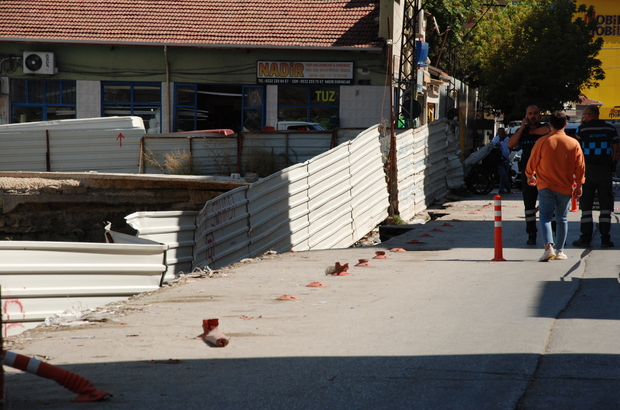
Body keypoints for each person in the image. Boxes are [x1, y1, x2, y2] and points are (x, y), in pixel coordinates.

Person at [525, 111, 585, 262]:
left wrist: (529, 175)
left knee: (545, 217)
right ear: (565, 124)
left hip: (545, 185)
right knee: (562, 219)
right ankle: (560, 251)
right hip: (565, 187)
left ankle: (548, 248)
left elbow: (532, 161)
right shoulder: (573, 143)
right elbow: (580, 166)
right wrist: (579, 184)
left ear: (550, 125)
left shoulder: (542, 141)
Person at [572, 105, 620, 248]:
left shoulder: (582, 130)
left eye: (585, 114)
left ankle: (585, 238)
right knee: (605, 206)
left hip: (587, 172)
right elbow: (617, 151)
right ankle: (605, 239)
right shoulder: (610, 129)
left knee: (586, 206)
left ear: (589, 114)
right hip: (605, 171)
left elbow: (576, 151)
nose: (584, 117)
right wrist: (610, 165)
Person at [508, 105, 551, 245]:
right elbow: (510, 144)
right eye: (530, 114)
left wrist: (531, 131)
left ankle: (552, 235)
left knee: (549, 205)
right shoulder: (523, 132)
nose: (533, 116)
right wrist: (521, 128)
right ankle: (531, 234)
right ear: (526, 116)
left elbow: (548, 129)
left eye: (535, 113)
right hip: (528, 174)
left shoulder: (546, 128)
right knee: (529, 206)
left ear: (540, 115)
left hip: (545, 174)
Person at [492, 127, 512, 194]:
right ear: (498, 132)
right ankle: (507, 187)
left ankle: (502, 188)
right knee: (503, 174)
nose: (501, 133)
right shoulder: (495, 139)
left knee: (505, 175)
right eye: (500, 131)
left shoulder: (507, 139)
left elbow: (510, 147)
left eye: (502, 131)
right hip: (499, 160)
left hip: (506, 160)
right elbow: (493, 147)